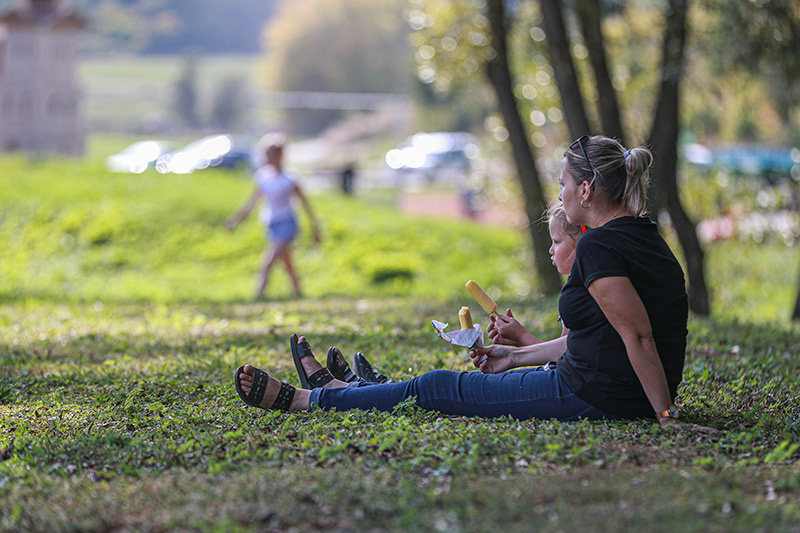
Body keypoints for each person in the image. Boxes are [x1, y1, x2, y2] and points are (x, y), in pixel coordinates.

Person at [234, 134, 689, 427]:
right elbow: (600, 339)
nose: (560, 193)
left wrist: (665, 415)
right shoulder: (646, 238)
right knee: (440, 387)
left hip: (593, 396)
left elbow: (640, 336)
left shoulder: (598, 246)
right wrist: (514, 357)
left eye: (563, 183)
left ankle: (309, 401)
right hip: (608, 389)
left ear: (586, 190)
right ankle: (346, 392)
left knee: (435, 387)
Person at [225, 133, 321, 299]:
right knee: (286, 262)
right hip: (271, 223)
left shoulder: (289, 179)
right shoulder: (264, 177)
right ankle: (298, 292)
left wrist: (315, 228)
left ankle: (258, 296)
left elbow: (305, 204)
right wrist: (236, 220)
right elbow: (252, 201)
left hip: (287, 223)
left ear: (279, 155)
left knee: (268, 261)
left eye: (270, 155)